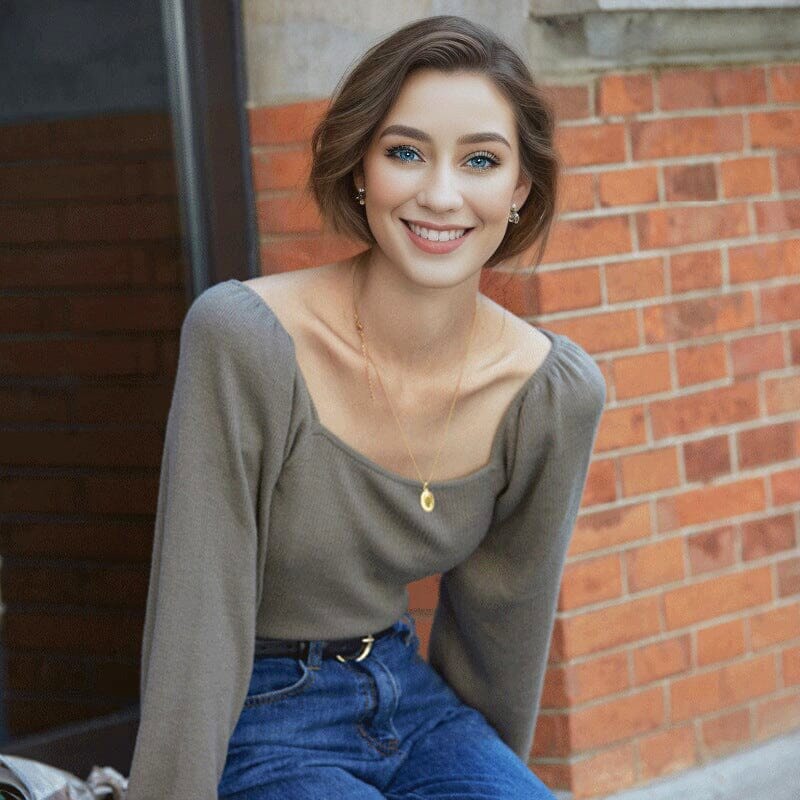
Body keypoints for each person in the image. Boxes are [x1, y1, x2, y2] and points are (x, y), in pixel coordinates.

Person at [125, 14, 606, 800]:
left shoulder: (549, 393)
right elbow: (197, 622)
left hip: (412, 703)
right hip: (262, 713)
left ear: (519, 188)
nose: (441, 194)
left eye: (481, 160)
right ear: (360, 169)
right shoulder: (247, 339)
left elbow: (501, 638)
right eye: (406, 152)